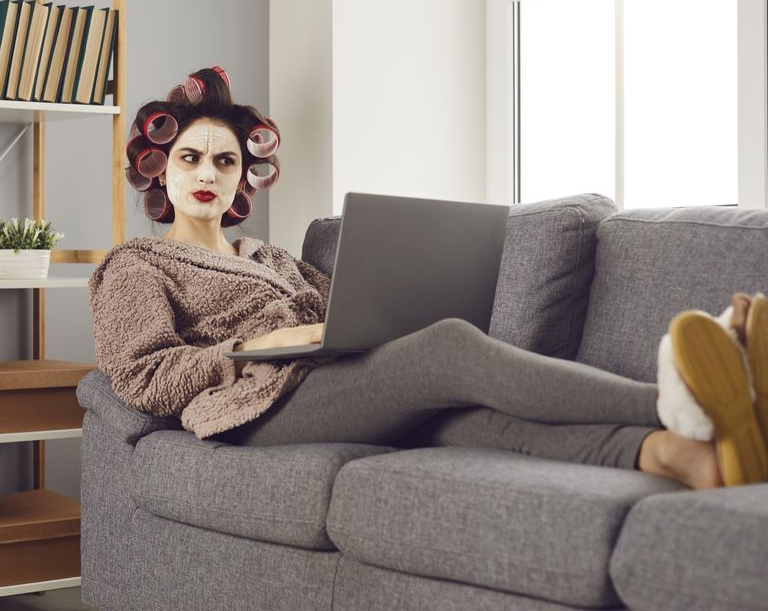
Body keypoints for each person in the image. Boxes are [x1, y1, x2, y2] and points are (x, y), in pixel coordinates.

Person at [88, 66, 768, 493]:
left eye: (225, 161)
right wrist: (256, 347)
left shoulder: (274, 260)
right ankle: (685, 400)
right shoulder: (135, 266)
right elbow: (145, 380)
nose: (208, 174)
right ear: (160, 170)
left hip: (328, 383)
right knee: (450, 348)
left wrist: (359, 321)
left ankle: (684, 457)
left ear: (245, 177)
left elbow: (344, 319)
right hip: (253, 412)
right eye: (190, 158)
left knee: (471, 420)